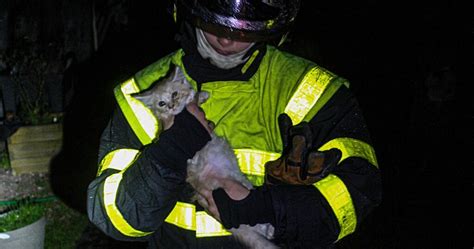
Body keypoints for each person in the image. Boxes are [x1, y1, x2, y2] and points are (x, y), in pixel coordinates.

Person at [87, 0, 382, 248]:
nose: (227, 39)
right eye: (215, 17)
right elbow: (115, 219)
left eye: (247, 22)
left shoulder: (312, 90)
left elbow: (359, 194)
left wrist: (270, 208)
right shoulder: (142, 94)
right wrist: (167, 155)